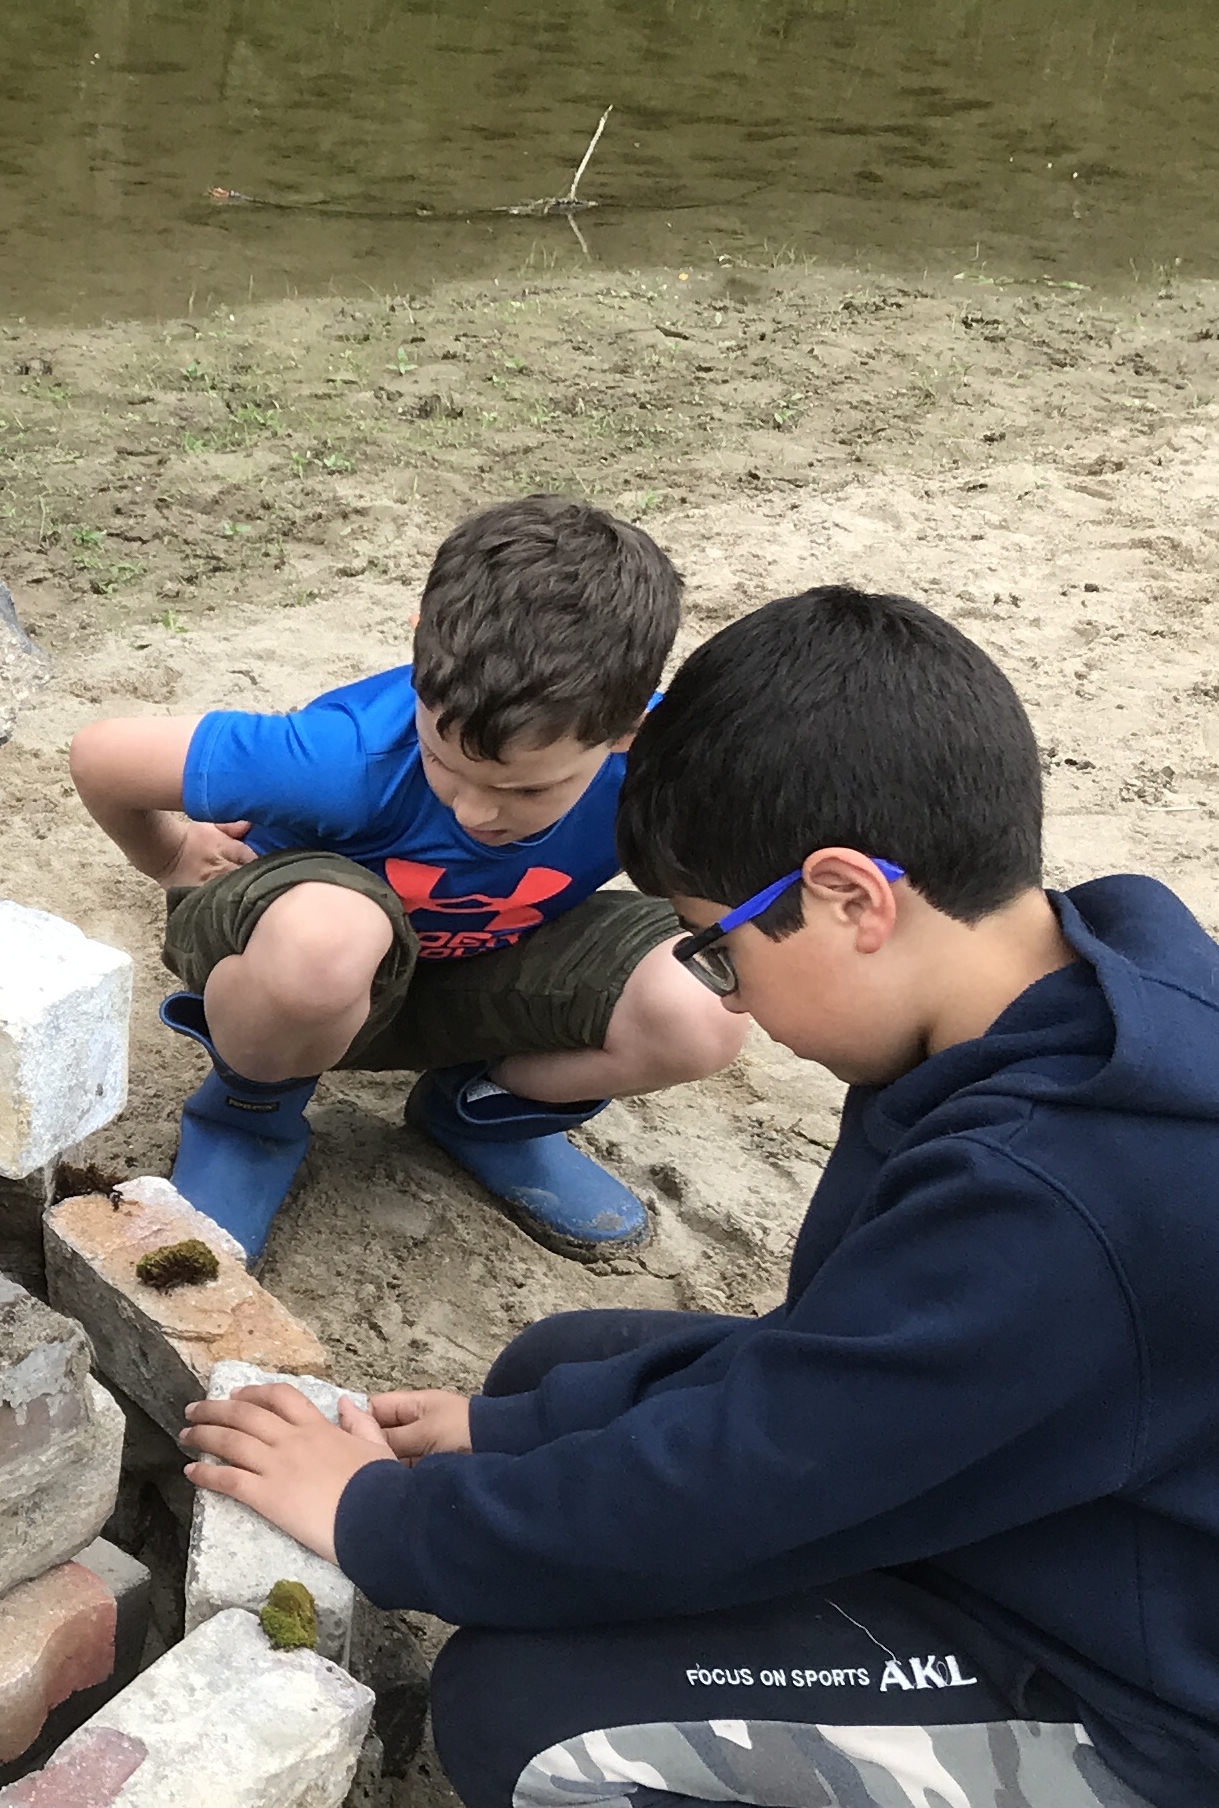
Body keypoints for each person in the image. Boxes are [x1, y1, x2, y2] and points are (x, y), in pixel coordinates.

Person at [180, 587, 1219, 1808]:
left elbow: (720, 1495)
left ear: (846, 896)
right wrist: (505, 1438)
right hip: (1035, 1527)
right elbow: (836, 1364)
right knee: (562, 1366)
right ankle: (532, 1456)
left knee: (529, 1735)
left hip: (1162, 1709)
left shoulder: (1060, 1209)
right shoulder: (1019, 1017)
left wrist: (376, 1520)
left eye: (720, 938)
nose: (731, 996)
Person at [66, 496, 744, 1262]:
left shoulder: (661, 765)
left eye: (526, 790)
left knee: (707, 998)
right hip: (300, 974)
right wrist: (172, 857)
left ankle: (485, 1109)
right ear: (423, 653)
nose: (477, 810)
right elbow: (102, 755)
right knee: (328, 942)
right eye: (446, 762)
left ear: (628, 733)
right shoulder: (346, 758)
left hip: (482, 964)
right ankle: (249, 1113)